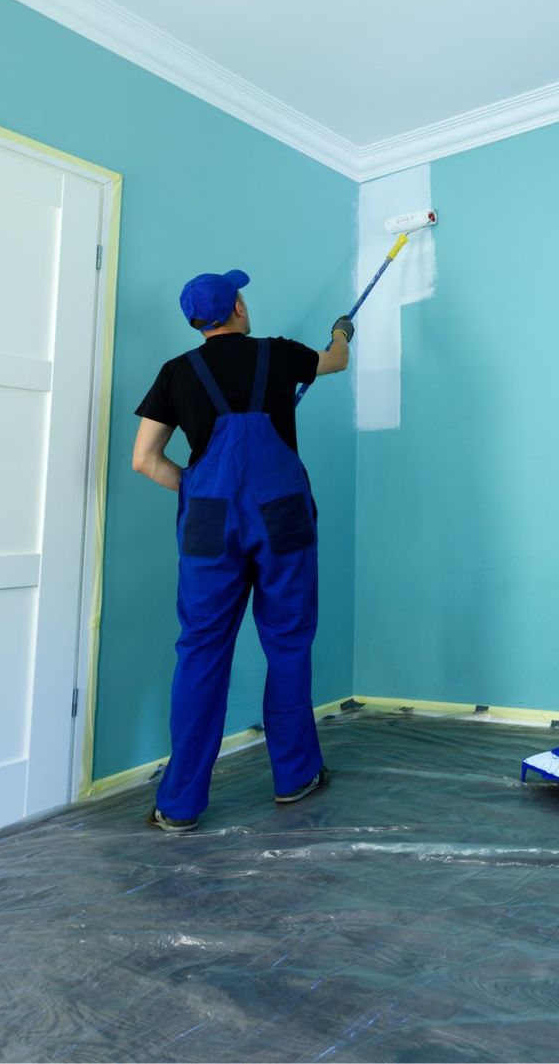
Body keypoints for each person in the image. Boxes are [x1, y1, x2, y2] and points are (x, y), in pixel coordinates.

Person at [131, 267, 353, 830]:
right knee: (287, 641)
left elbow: (145, 461)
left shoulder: (175, 373)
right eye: (242, 297)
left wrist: (204, 486)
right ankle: (295, 776)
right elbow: (334, 362)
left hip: (210, 519)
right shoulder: (278, 353)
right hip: (281, 513)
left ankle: (178, 804)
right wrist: (342, 333)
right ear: (237, 310)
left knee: (201, 648)